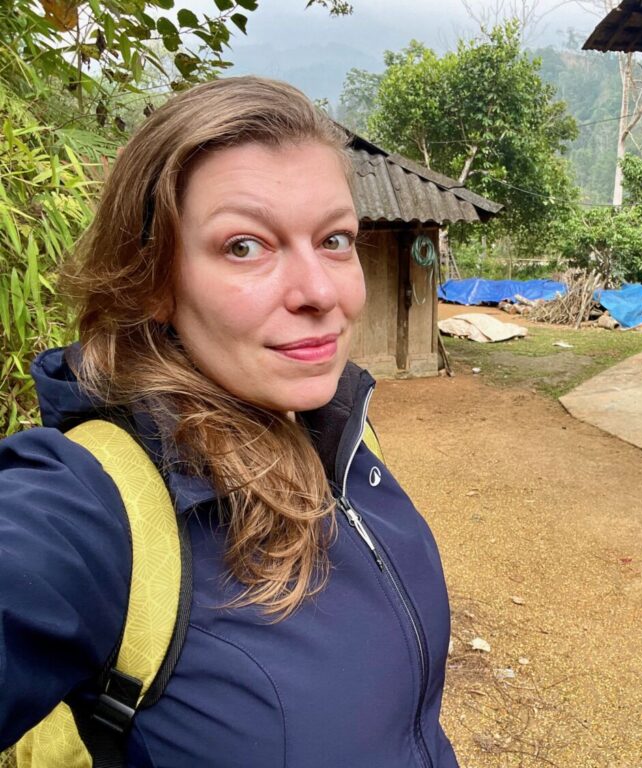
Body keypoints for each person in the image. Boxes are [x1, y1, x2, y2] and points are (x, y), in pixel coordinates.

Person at [0, 77, 459, 766]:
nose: (320, 292)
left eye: (335, 239)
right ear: (154, 281)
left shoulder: (340, 434)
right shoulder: (90, 506)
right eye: (245, 246)